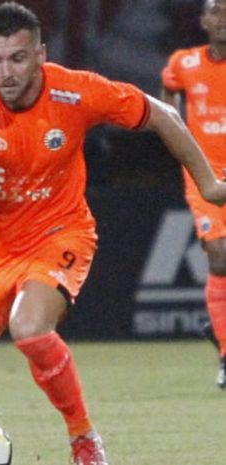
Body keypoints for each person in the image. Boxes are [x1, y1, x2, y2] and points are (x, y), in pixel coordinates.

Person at [0, 2, 226, 465]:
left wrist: (210, 183)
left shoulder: (76, 91)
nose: (5, 72)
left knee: (30, 329)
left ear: (40, 54)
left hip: (59, 232)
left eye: (17, 58)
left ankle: (83, 439)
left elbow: (162, 115)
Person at [161, 0, 226, 390]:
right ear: (203, 20)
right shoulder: (184, 63)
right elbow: (166, 101)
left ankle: (219, 330)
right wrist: (177, 141)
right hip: (204, 177)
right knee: (219, 256)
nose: (223, 18)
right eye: (216, 10)